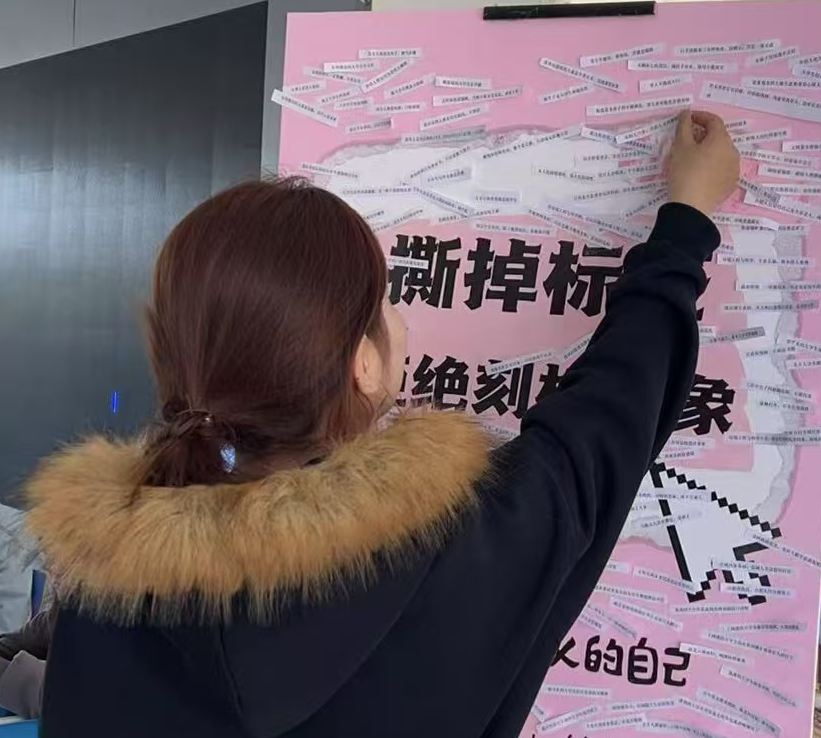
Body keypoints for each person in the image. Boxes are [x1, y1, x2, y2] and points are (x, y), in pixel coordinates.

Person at [25, 110, 739, 737]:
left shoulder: (99, 589)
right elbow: (602, 427)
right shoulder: (449, 551)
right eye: (388, 299)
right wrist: (684, 228)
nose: (400, 319)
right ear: (362, 366)